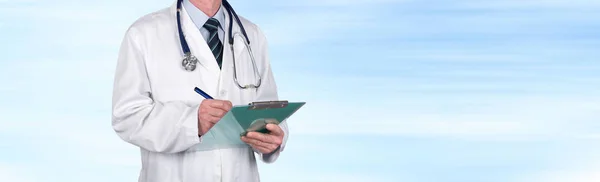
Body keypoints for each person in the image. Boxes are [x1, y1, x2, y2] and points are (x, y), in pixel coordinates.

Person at [111, 0, 288, 181]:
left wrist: (272, 138)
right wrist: (191, 122)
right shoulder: (143, 34)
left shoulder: (252, 34)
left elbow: (269, 109)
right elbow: (127, 117)